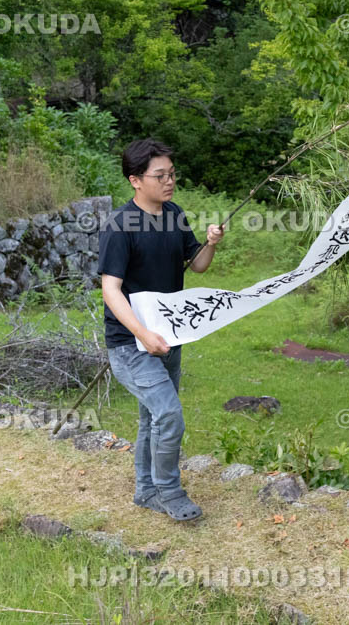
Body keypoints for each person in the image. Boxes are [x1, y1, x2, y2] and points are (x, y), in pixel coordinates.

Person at [97, 139, 224, 521]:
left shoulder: (174, 215)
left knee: (152, 418)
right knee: (169, 415)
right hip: (129, 345)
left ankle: (145, 490)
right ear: (135, 180)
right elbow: (110, 290)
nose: (169, 181)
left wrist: (212, 244)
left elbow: (197, 264)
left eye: (172, 174)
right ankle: (169, 491)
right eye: (160, 175)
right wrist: (143, 334)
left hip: (169, 337)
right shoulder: (120, 225)